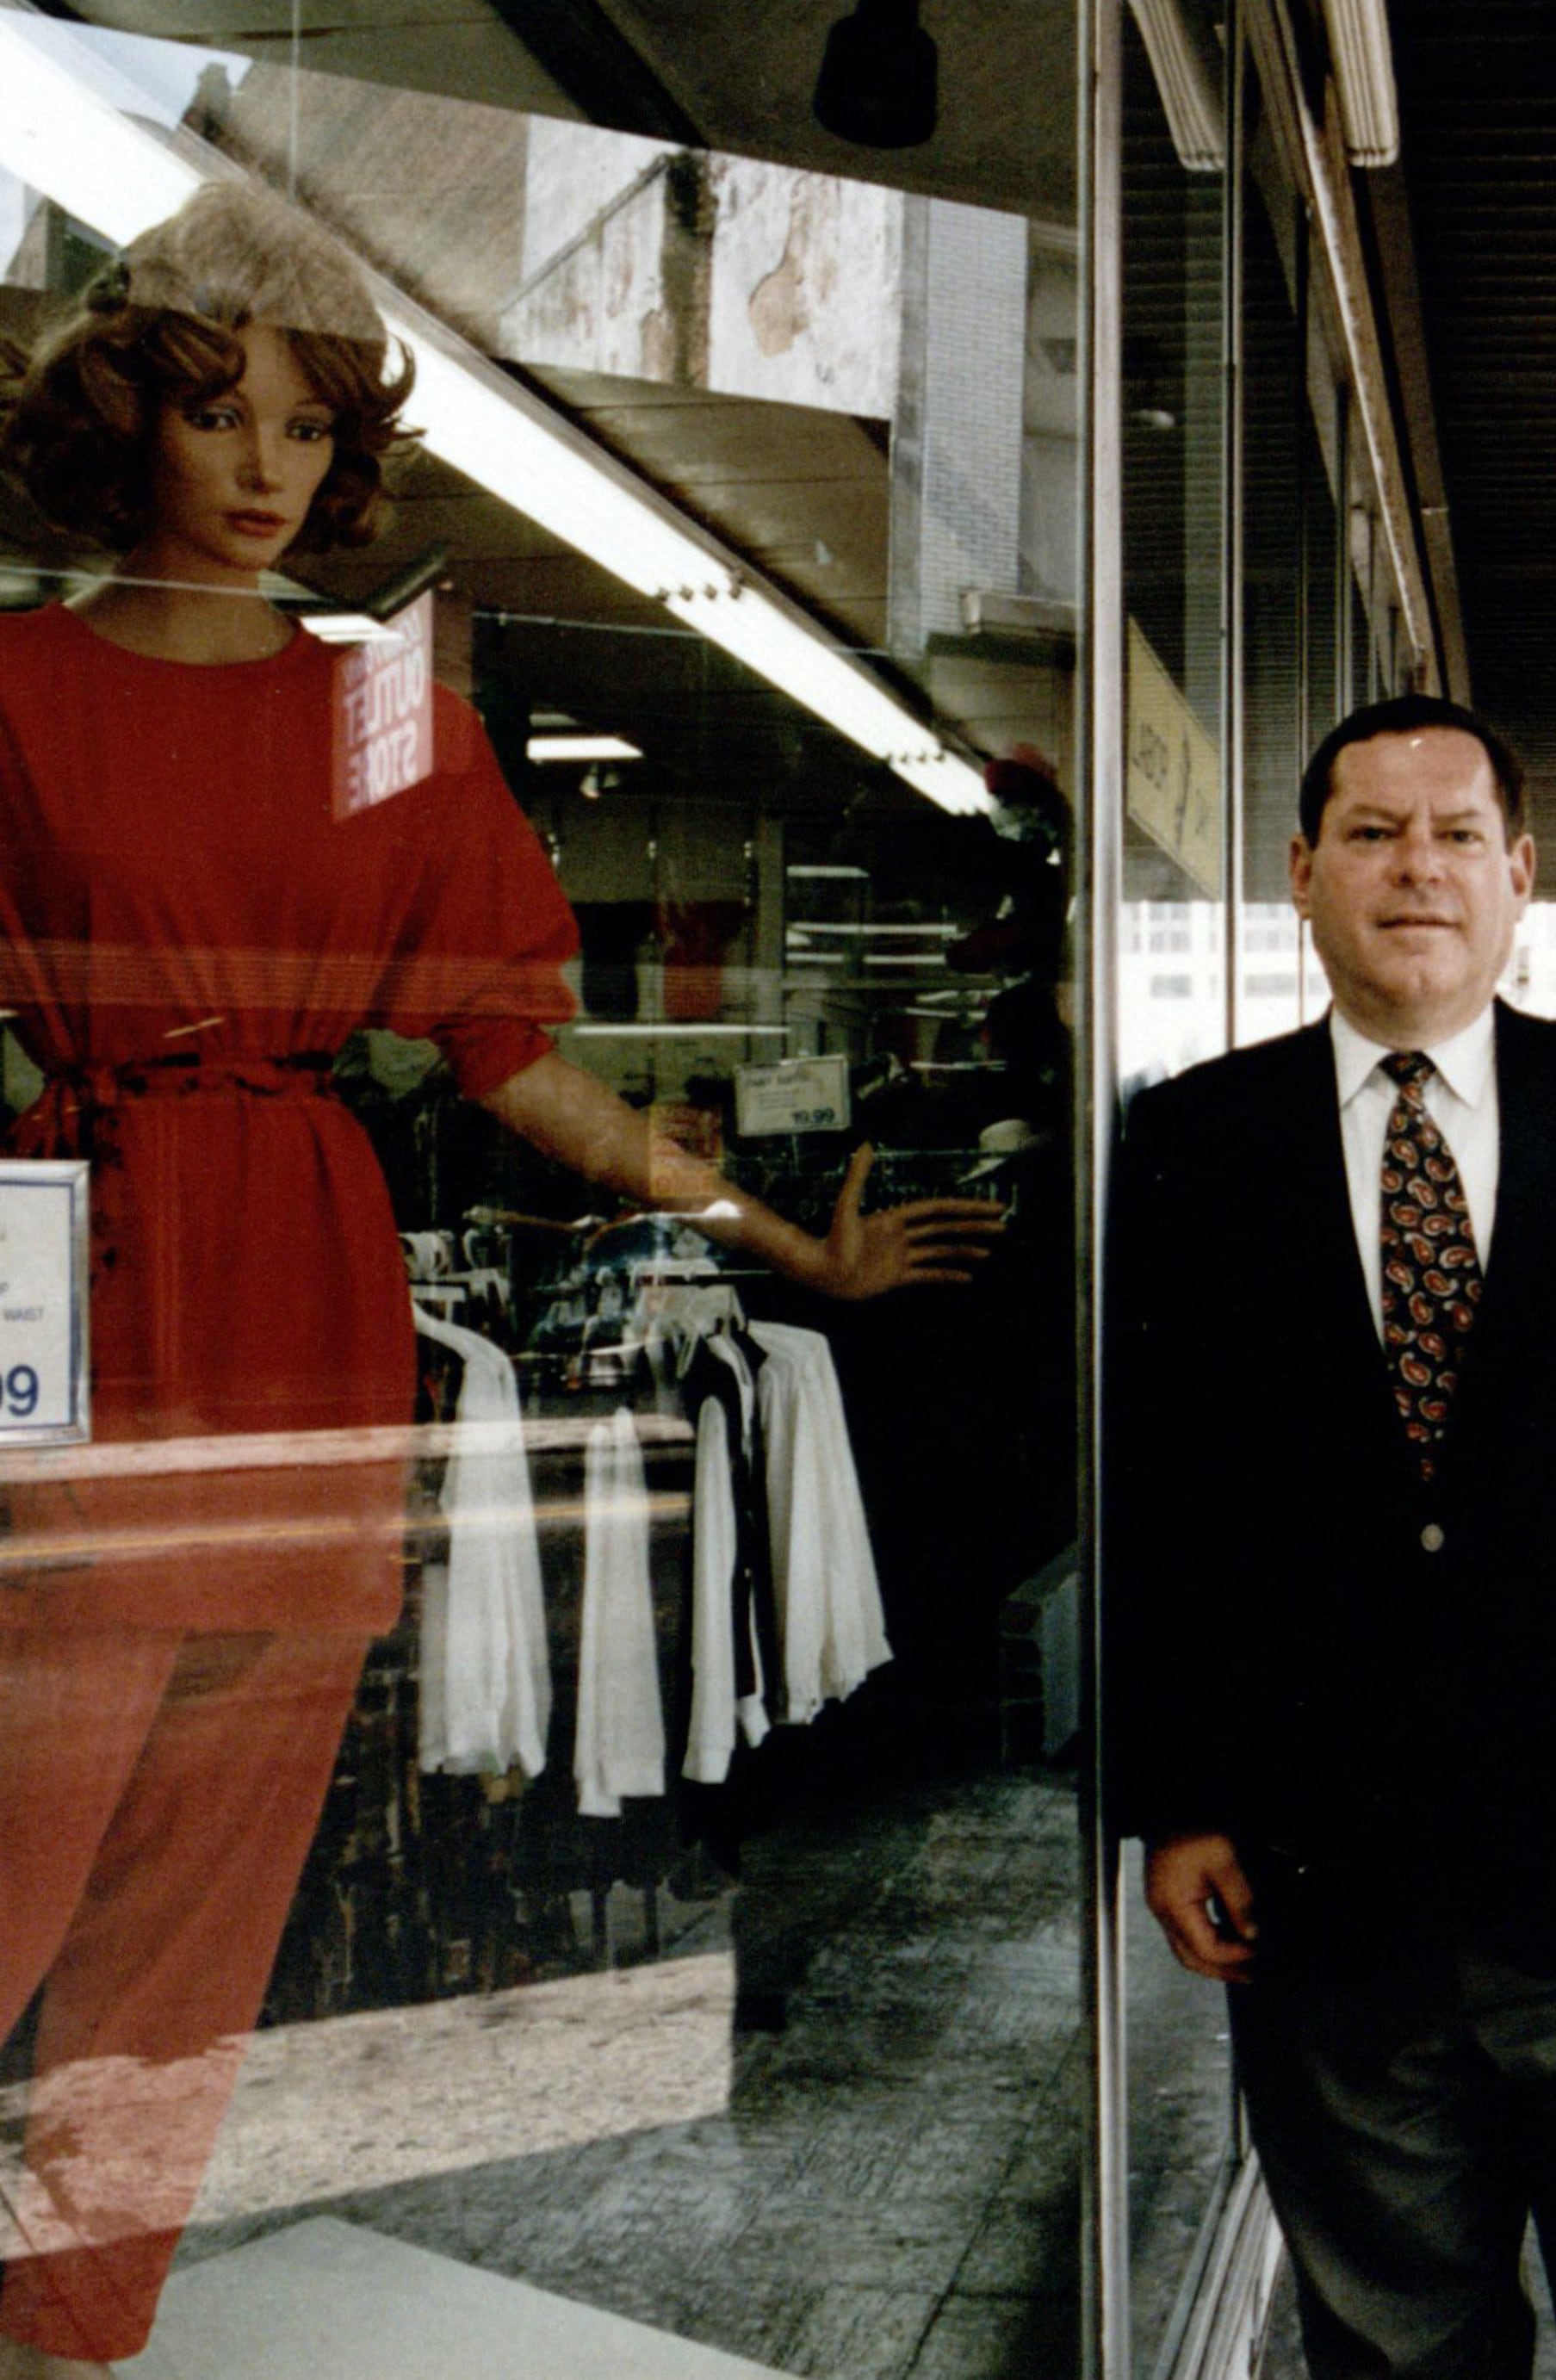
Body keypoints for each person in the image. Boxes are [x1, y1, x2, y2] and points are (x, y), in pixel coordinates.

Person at [0, 185, 1000, 2380]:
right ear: (124, 422)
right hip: (68, 1259)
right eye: (216, 413)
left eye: (306, 423)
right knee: (23, 1818)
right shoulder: (11, 682)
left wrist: (774, 1238)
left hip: (301, 1273)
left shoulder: (375, 713)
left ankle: (72, 2323)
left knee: (211, 1869)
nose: (267, 468)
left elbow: (509, 1049)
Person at [1107, 694, 1556, 2380]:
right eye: (1371, 832)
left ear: (1520, 877)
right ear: (1301, 874)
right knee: (1394, 2340)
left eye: (1455, 834)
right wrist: (1178, 1800)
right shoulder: (1200, 1142)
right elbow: (1165, 1497)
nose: (1415, 867)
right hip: (1330, 1888)